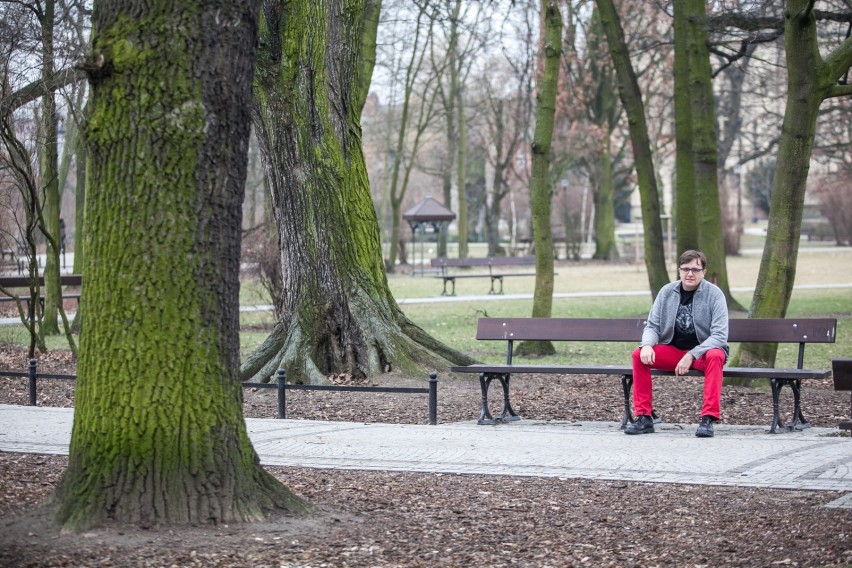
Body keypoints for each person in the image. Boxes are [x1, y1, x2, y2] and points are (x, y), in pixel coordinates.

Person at [625, 250, 729, 438]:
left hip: (702, 354)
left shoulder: (714, 294)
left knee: (716, 355)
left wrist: (691, 355)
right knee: (638, 354)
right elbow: (653, 325)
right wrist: (647, 345)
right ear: (679, 271)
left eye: (696, 269)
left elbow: (720, 335)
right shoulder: (667, 292)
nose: (690, 274)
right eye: (686, 269)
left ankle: (708, 419)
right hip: (673, 351)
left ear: (704, 272)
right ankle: (644, 417)